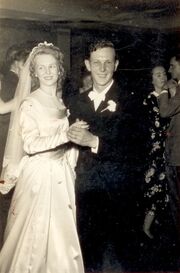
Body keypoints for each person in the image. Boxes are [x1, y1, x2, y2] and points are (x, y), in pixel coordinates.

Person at [0, 42, 85, 273]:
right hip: (40, 174)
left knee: (60, 235)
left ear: (60, 69)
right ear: (34, 72)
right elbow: (30, 143)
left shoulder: (60, 100)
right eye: (41, 68)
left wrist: (71, 153)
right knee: (36, 234)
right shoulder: (30, 102)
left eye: (52, 67)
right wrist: (64, 135)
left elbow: (66, 140)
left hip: (61, 172)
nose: (48, 72)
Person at [68, 39, 137, 272]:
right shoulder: (76, 101)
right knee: (88, 255)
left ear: (116, 64)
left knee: (120, 259)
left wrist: (94, 141)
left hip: (119, 193)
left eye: (108, 62)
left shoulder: (131, 99)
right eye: (97, 62)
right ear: (88, 64)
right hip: (86, 190)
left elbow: (137, 149)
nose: (103, 68)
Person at [142, 65, 169, 239]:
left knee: (165, 186)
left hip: (167, 149)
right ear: (152, 79)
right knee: (154, 186)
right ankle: (146, 227)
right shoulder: (150, 100)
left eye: (164, 74)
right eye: (157, 75)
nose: (162, 77)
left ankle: (157, 220)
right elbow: (157, 124)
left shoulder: (169, 96)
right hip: (155, 150)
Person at [158, 53, 180, 244]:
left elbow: (165, 111)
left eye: (172, 66)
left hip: (178, 157)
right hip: (175, 153)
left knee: (176, 201)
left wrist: (163, 91)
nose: (170, 70)